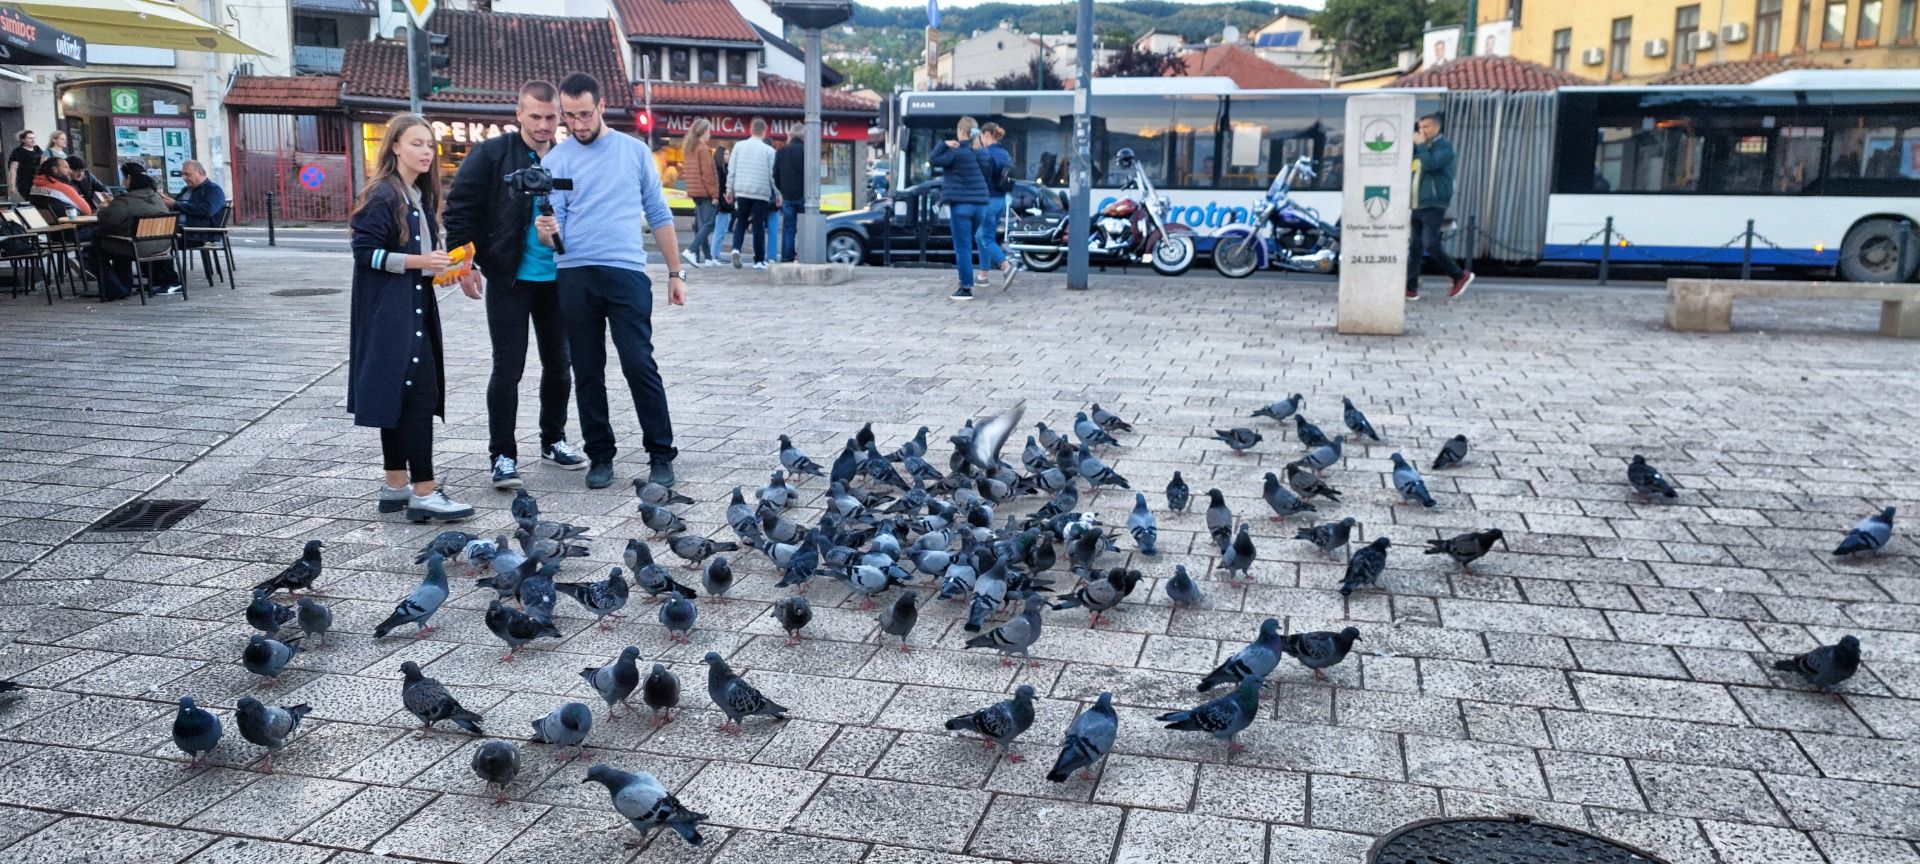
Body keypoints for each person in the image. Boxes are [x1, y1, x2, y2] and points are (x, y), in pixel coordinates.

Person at [536, 72, 689, 490]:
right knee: (586, 369)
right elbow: (554, 233)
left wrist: (675, 273)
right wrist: (546, 231)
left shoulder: (634, 151)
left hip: (626, 272)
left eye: (585, 114)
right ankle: (599, 455)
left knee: (640, 364)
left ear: (602, 107)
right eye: (570, 116)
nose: (578, 124)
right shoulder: (555, 161)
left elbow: (659, 214)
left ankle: (661, 453)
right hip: (575, 274)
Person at [444, 79, 587, 491]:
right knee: (508, 366)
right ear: (519, 114)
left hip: (558, 277)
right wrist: (464, 263)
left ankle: (553, 439)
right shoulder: (491, 154)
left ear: (560, 116)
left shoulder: (568, 158)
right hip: (509, 276)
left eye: (550, 117)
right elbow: (461, 209)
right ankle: (502, 454)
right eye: (535, 116)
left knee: (560, 364)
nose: (543, 125)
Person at [348, 113, 473, 523]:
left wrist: (447, 268)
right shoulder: (383, 194)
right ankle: (424, 490)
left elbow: (411, 259)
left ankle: (396, 484)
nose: (425, 152)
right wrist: (420, 261)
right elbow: (365, 253)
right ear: (395, 146)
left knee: (399, 395)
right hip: (392, 313)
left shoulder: (416, 194)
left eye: (429, 145)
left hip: (408, 306)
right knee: (418, 395)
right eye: (416, 143)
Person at [1406, 113, 1473, 301]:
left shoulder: (1444, 147)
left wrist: (1419, 145)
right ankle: (1410, 288)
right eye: (1420, 128)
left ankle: (1459, 276)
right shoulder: (1422, 148)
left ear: (1436, 128)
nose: (1422, 131)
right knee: (1415, 247)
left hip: (1434, 202)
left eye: (1426, 127)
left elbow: (1431, 164)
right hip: (1417, 203)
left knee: (1430, 243)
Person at [930, 115, 990, 301]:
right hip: (981, 207)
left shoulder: (955, 153)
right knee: (969, 242)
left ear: (961, 132)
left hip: (961, 206)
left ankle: (965, 288)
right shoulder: (981, 152)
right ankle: (969, 281)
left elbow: (934, 159)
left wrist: (944, 143)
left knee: (962, 246)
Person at [92, 170, 176, 301]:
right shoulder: (158, 198)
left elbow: (107, 221)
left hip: (137, 248)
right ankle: (124, 286)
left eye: (124, 178)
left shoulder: (125, 201)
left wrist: (102, 209)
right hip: (164, 246)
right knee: (119, 242)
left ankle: (116, 289)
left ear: (129, 179)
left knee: (94, 248)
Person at [725, 118, 776, 269]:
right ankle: (759, 260)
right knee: (758, 225)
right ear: (764, 132)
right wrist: (778, 194)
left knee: (740, 221)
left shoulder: (739, 146)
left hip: (742, 190)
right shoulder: (769, 151)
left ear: (751, 130)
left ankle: (735, 249)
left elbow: (731, 170)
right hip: (761, 192)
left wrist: (729, 189)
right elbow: (772, 175)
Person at [974, 122, 1016, 290]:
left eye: (981, 137)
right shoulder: (1004, 153)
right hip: (1001, 200)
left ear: (986, 134)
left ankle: (1006, 266)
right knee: (981, 236)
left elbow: (981, 177)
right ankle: (983, 275)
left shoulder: (985, 154)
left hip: (988, 200)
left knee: (986, 238)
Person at [683, 119, 721, 267]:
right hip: (705, 191)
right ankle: (691, 250)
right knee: (710, 223)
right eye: (709, 131)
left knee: (702, 224)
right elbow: (708, 174)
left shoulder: (689, 148)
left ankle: (707, 257)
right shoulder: (703, 149)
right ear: (705, 131)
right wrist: (715, 195)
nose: (710, 134)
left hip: (695, 191)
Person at [167, 160, 228, 246]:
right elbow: (177, 205)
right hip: (181, 230)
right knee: (153, 239)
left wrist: (175, 204)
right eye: (183, 175)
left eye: (188, 174)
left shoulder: (213, 189)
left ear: (200, 172)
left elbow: (208, 210)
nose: (184, 178)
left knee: (158, 243)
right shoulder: (186, 190)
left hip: (200, 233)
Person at [773, 127, 807, 263]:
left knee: (788, 227)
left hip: (787, 195)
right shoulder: (807, 151)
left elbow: (775, 174)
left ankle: (787, 257)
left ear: (791, 135)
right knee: (805, 227)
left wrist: (781, 190)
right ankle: (804, 255)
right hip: (804, 195)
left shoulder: (781, 151)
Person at [8, 130, 40, 202]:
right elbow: (13, 169)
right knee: (32, 201)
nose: (33, 140)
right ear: (23, 140)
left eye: (34, 138)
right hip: (25, 182)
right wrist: (12, 186)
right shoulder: (18, 151)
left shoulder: (37, 149)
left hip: (38, 181)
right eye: (30, 138)